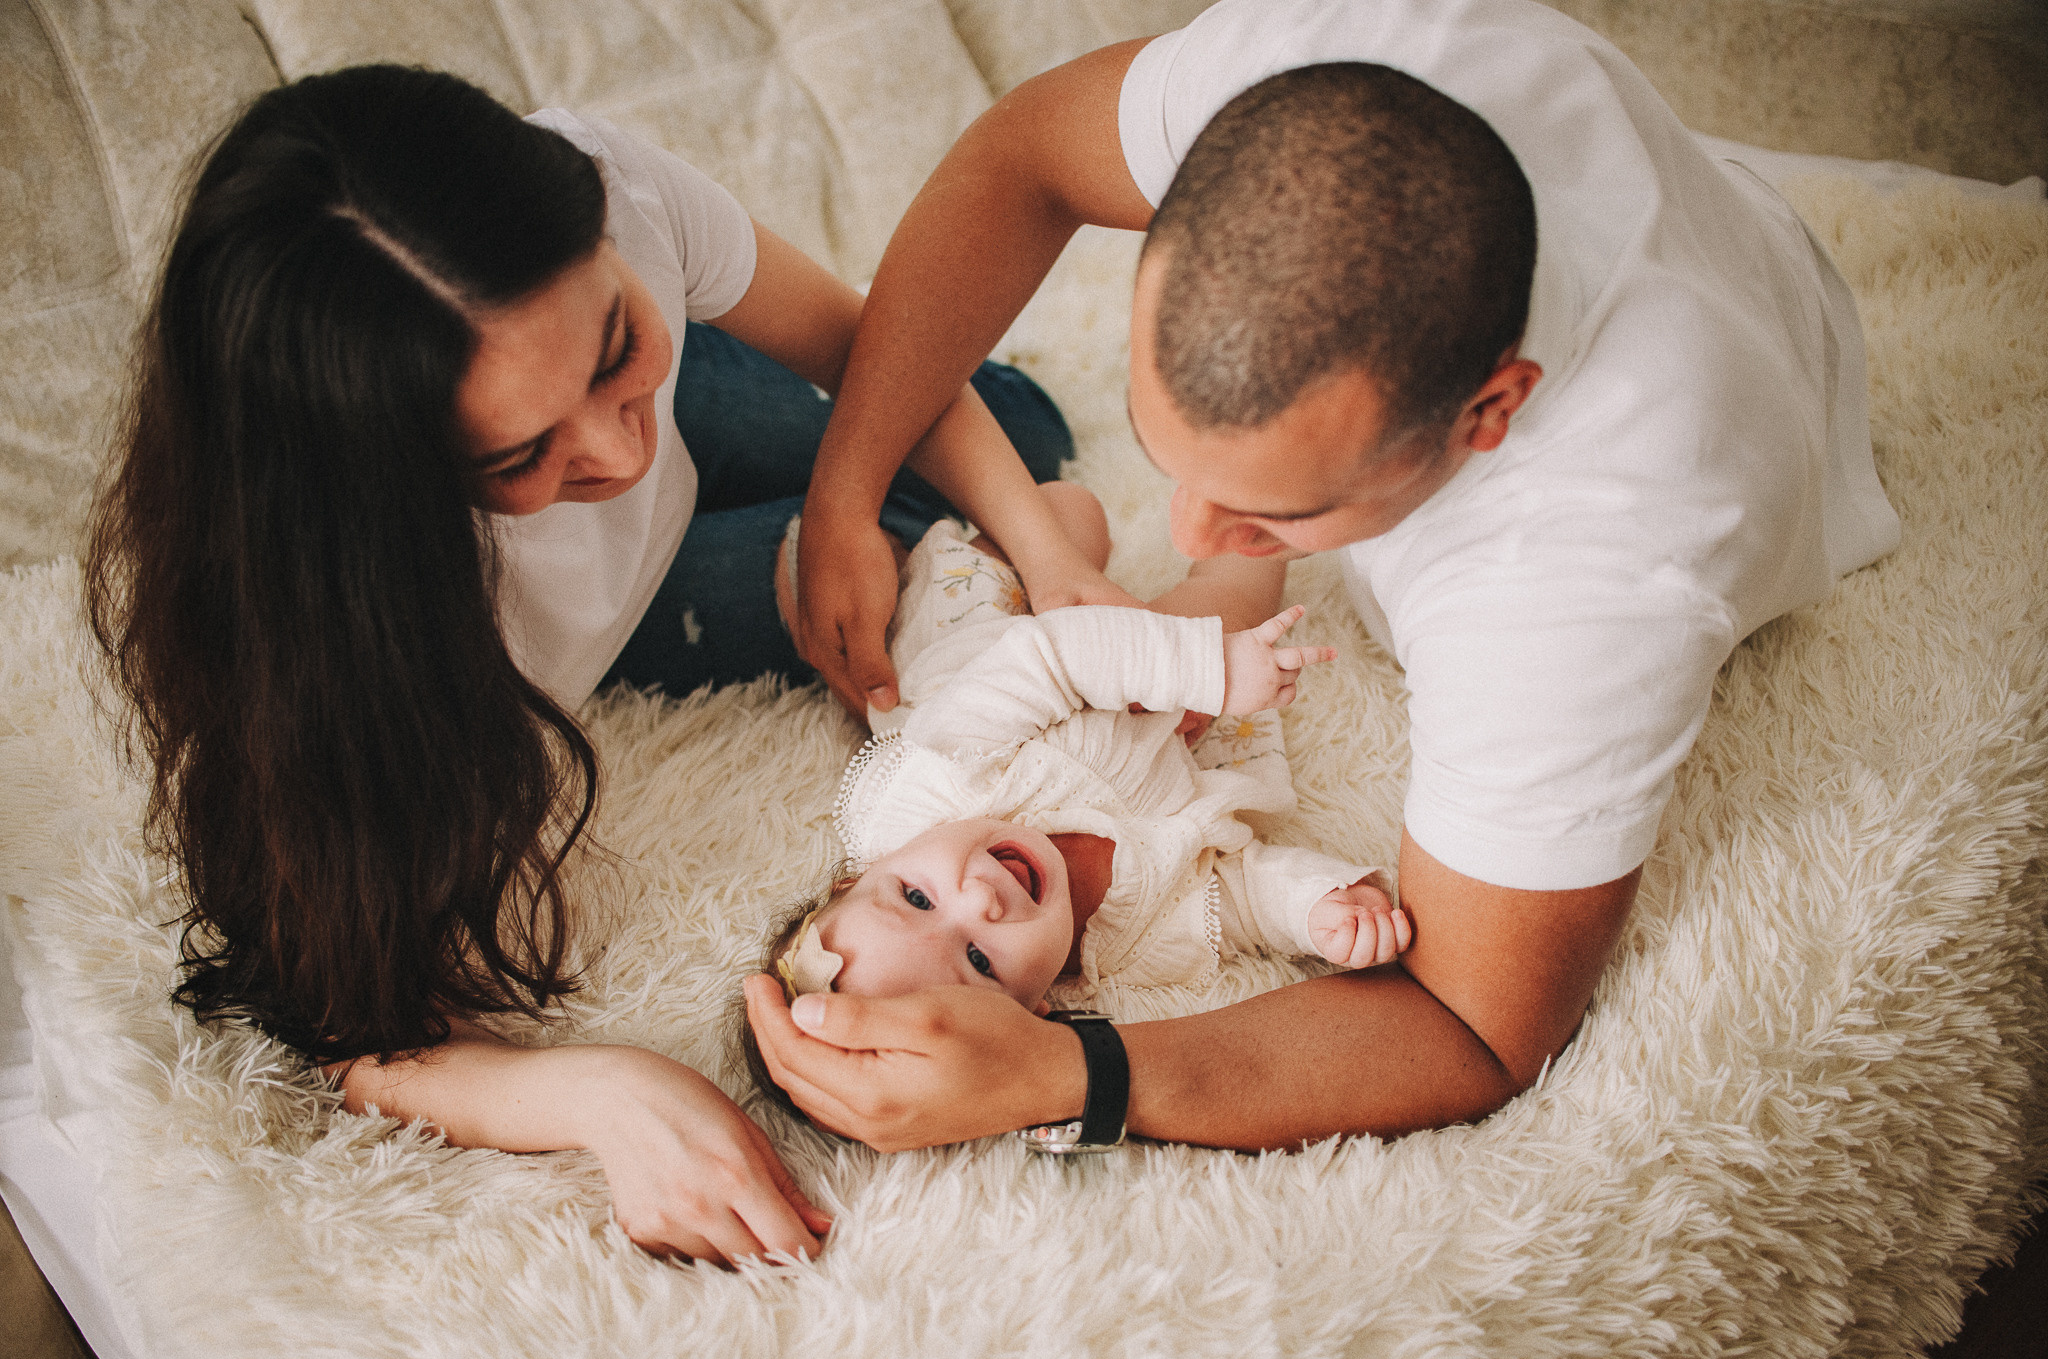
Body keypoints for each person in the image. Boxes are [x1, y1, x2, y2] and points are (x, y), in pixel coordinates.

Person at [749, 0, 1901, 1152]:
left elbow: (1475, 1025)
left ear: (1488, 412)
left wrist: (1065, 1072)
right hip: (1712, 213)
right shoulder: (1344, 52)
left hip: (1788, 371)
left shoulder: (1590, 581)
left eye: (1276, 508)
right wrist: (847, 486)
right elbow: (1027, 155)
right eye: (1163, 447)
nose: (1191, 524)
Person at [80, 64, 1081, 1266]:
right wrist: (606, 1095)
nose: (618, 444)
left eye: (615, 345)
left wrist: (860, 511)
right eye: (521, 456)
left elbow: (864, 333)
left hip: (665, 394)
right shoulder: (326, 653)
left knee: (1016, 439)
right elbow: (348, 1032)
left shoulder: (607, 192)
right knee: (948, 550)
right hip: (576, 615)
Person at [755, 520, 1405, 1018]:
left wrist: (1204, 669)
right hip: (1159, 742)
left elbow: (1046, 660)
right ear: (1034, 1013)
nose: (980, 897)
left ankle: (885, 556)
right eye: (980, 960)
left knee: (1076, 515)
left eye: (916, 896)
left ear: (861, 872)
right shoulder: (1130, 950)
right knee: (1231, 599)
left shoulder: (940, 777)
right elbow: (1234, 899)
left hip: (1012, 642)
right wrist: (1317, 910)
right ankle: (1263, 518)